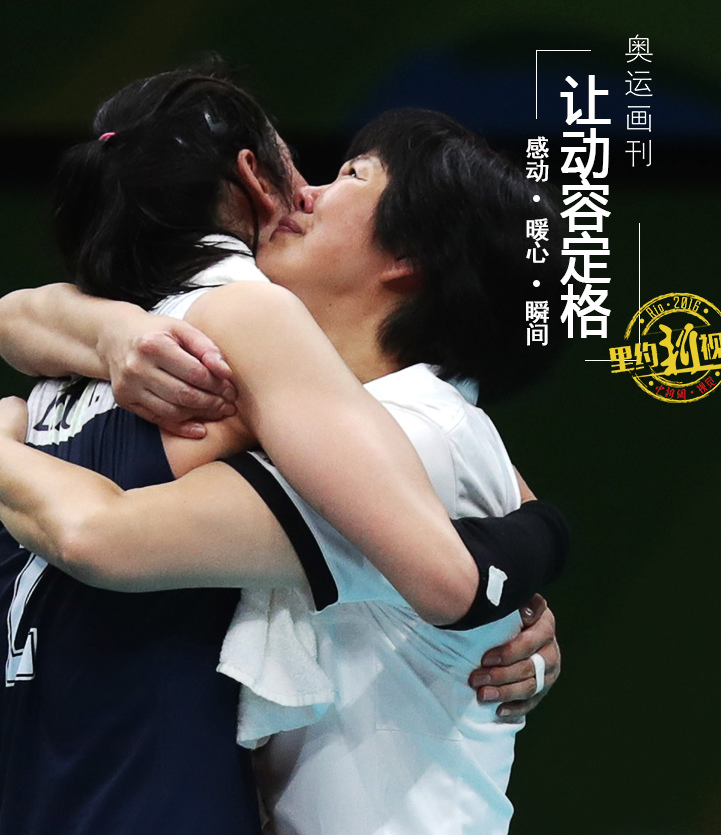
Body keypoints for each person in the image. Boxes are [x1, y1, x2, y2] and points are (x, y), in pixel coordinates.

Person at [0, 65, 564, 834]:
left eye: (349, 177)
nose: (303, 195)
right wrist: (110, 330)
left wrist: (537, 544)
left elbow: (99, 532)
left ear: (409, 256)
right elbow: (19, 317)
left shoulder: (413, 430)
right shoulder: (307, 408)